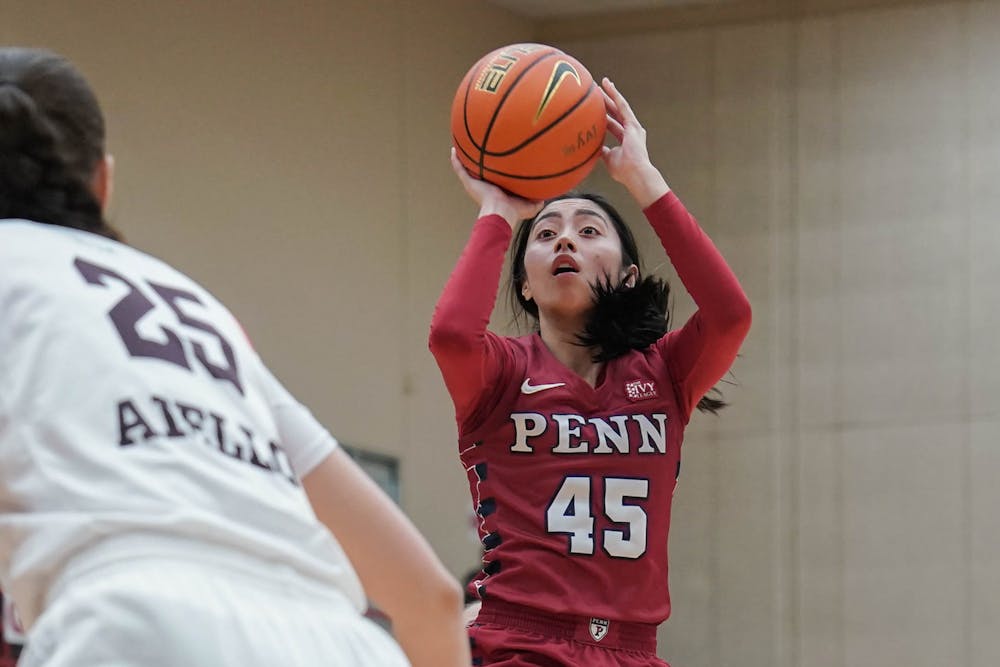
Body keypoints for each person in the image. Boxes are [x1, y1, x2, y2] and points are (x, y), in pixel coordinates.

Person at [0, 47, 469, 667]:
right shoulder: (198, 312)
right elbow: (432, 598)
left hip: (131, 627)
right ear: (104, 184)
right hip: (343, 645)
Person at [429, 77, 752, 666]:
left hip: (633, 651)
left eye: (589, 231)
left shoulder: (666, 376)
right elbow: (451, 334)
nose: (565, 242)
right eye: (546, 234)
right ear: (525, 284)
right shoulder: (501, 372)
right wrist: (499, 211)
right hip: (518, 643)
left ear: (628, 275)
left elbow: (731, 315)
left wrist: (642, 178)